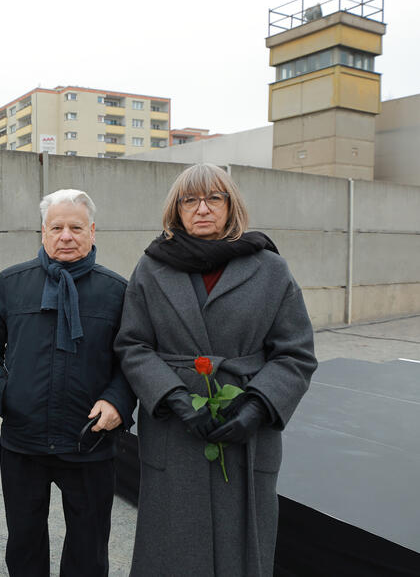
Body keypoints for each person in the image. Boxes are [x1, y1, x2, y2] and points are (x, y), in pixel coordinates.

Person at [113, 163, 318, 576]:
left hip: (246, 433)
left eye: (213, 198)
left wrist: (258, 407)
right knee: (173, 548)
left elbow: (295, 353)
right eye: (190, 200)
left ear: (230, 206)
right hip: (175, 431)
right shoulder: (152, 268)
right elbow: (133, 344)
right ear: (177, 209)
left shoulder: (271, 269)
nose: (202, 209)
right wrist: (172, 397)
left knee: (240, 550)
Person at [0, 188, 135, 577]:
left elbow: (133, 359)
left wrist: (116, 401)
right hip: (24, 441)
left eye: (76, 227)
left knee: (89, 546)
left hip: (89, 441)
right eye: (56, 227)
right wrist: (4, 394)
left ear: (92, 231)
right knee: (24, 544)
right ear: (42, 232)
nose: (66, 236)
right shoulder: (12, 283)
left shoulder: (117, 291)